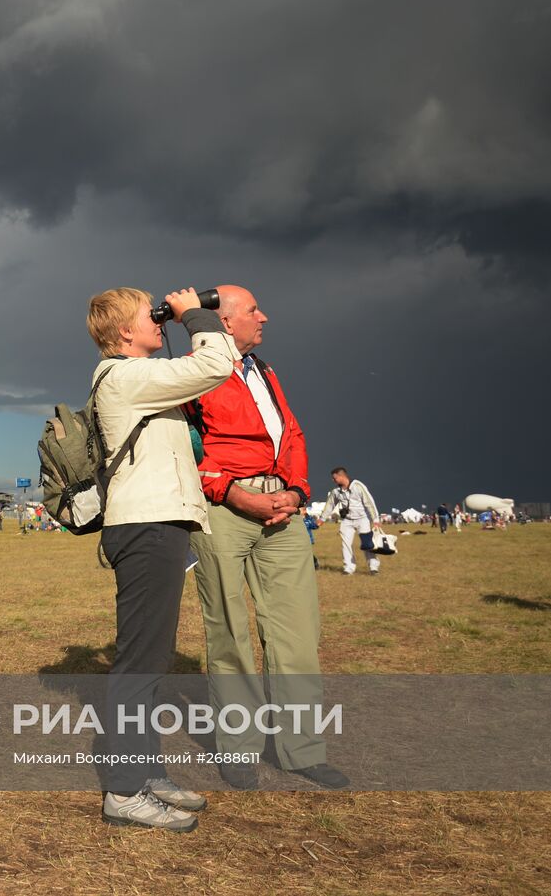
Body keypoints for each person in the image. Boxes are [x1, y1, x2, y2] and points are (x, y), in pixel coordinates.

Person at [187, 285, 349, 791]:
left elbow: (292, 434)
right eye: (253, 310)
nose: (265, 317)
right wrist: (233, 493)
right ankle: (239, 749)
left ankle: (302, 751)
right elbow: (185, 448)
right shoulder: (192, 374)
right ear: (224, 323)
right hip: (224, 510)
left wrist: (298, 491)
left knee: (298, 631)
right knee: (229, 631)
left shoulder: (267, 371)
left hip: (282, 511)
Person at [87, 286, 236, 831]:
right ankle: (124, 793)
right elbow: (218, 360)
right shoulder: (126, 378)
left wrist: (176, 322)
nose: (158, 319)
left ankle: (144, 772)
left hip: (155, 523)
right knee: (139, 662)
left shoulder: (136, 377)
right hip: (147, 526)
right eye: (148, 314)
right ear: (125, 332)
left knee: (150, 659)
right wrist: (192, 312)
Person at [323, 468, 381, 575]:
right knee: (346, 545)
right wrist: (322, 519)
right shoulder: (336, 492)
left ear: (342, 476)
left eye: (334, 478)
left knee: (367, 544)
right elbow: (330, 505)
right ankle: (349, 568)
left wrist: (375, 519)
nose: (333, 480)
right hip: (347, 521)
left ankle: (374, 568)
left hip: (362, 519)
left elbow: (369, 502)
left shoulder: (358, 486)